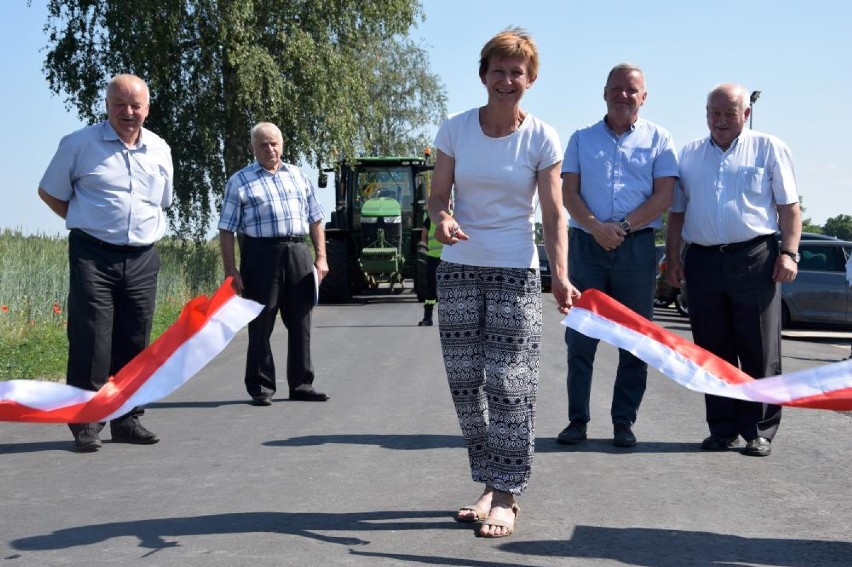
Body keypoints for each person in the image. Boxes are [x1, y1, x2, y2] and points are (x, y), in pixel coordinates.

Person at [428, 28, 578, 539]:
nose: (506, 79)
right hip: (458, 271)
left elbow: (555, 215)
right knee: (467, 386)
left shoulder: (542, 137)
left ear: (530, 79)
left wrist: (558, 274)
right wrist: (443, 220)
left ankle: (509, 493)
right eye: (498, 69)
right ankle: (488, 484)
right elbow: (437, 198)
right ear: (483, 75)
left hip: (516, 270)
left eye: (517, 71)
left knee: (510, 384)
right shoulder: (454, 130)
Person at [38, 74, 173, 452]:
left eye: (136, 105)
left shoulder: (160, 149)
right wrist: (85, 219)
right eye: (120, 104)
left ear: (147, 109)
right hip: (93, 254)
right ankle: (86, 421)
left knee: (135, 339)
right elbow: (49, 192)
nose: (128, 112)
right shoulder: (79, 144)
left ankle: (127, 419)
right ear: (107, 105)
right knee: (91, 338)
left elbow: (162, 201)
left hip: (143, 256)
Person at [666, 83, 802, 457]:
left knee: (759, 349)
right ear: (706, 113)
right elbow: (676, 213)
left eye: (730, 113)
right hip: (704, 261)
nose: (721, 120)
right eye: (715, 113)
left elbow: (790, 208)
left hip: (756, 258)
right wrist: (674, 258)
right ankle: (721, 428)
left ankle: (758, 431)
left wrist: (789, 253)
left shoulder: (770, 148)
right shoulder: (689, 154)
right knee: (712, 352)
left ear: (746, 113)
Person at [558, 63, 678, 448]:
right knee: (580, 340)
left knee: (636, 340)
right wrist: (596, 227)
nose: (623, 95)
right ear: (604, 92)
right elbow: (569, 193)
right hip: (587, 246)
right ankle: (577, 421)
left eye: (631, 90)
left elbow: (664, 196)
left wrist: (622, 228)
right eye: (616, 88)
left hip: (637, 248)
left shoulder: (661, 140)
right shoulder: (581, 139)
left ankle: (623, 422)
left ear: (644, 97)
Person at [218, 122, 329, 406]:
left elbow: (316, 218)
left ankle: (302, 384)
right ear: (252, 148)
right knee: (261, 321)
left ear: (282, 145)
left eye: (274, 143)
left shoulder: (298, 176)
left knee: (301, 322)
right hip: (261, 254)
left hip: (298, 252)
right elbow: (227, 229)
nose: (270, 149)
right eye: (264, 144)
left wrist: (321, 257)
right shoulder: (240, 181)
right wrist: (231, 269)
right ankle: (261, 386)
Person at [417, 200, 451, 326]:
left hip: (441, 258)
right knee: (434, 289)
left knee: (434, 288)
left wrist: (426, 247)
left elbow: (423, 235)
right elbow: (424, 235)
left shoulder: (432, 217)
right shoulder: (451, 217)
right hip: (441, 258)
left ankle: (428, 318)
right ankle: (430, 317)